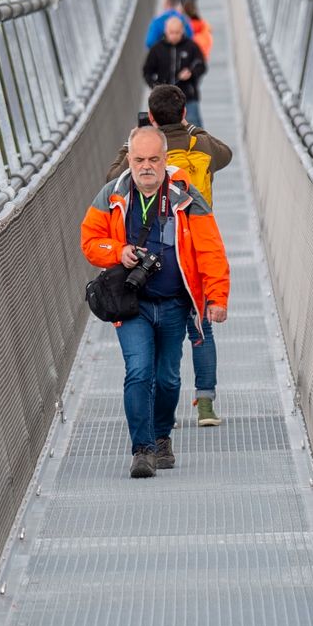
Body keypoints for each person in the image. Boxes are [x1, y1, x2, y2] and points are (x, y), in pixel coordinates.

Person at [81, 125, 229, 476]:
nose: (146, 166)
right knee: (139, 371)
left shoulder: (187, 197)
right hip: (132, 304)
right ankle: (142, 450)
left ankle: (162, 436)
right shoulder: (112, 195)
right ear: (129, 160)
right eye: (138, 160)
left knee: (168, 379)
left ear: (165, 159)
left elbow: (210, 249)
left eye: (153, 159)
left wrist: (217, 296)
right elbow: (90, 241)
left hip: (175, 303)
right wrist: (118, 251)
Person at [104, 85, 231, 427]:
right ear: (184, 113)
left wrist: (131, 145)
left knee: (162, 338)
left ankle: (165, 412)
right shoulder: (199, 144)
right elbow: (227, 154)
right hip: (198, 248)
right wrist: (194, 130)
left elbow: (112, 179)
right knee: (201, 331)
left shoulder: (147, 154)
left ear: (151, 118)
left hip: (160, 256)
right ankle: (206, 405)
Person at [144, 12, 206, 120]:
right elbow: (147, 71)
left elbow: (201, 65)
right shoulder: (156, 50)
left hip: (188, 98)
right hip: (164, 100)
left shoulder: (191, 46)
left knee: (193, 125)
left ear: (182, 30)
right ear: (166, 31)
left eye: (177, 32)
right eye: (171, 32)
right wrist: (156, 86)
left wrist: (191, 73)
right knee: (165, 127)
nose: (174, 36)